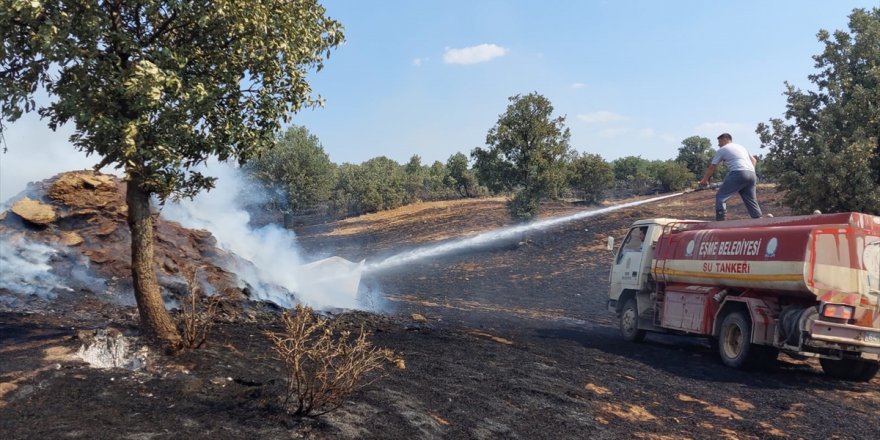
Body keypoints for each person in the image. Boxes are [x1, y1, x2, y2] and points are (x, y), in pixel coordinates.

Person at [699, 133, 762, 221]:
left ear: (725, 140)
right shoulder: (741, 147)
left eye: (719, 142)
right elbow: (754, 160)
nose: (718, 144)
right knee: (751, 199)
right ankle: (758, 219)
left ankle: (721, 222)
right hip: (752, 174)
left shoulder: (723, 149)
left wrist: (704, 180)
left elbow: (712, 166)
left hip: (738, 173)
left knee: (721, 197)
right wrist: (750, 171)